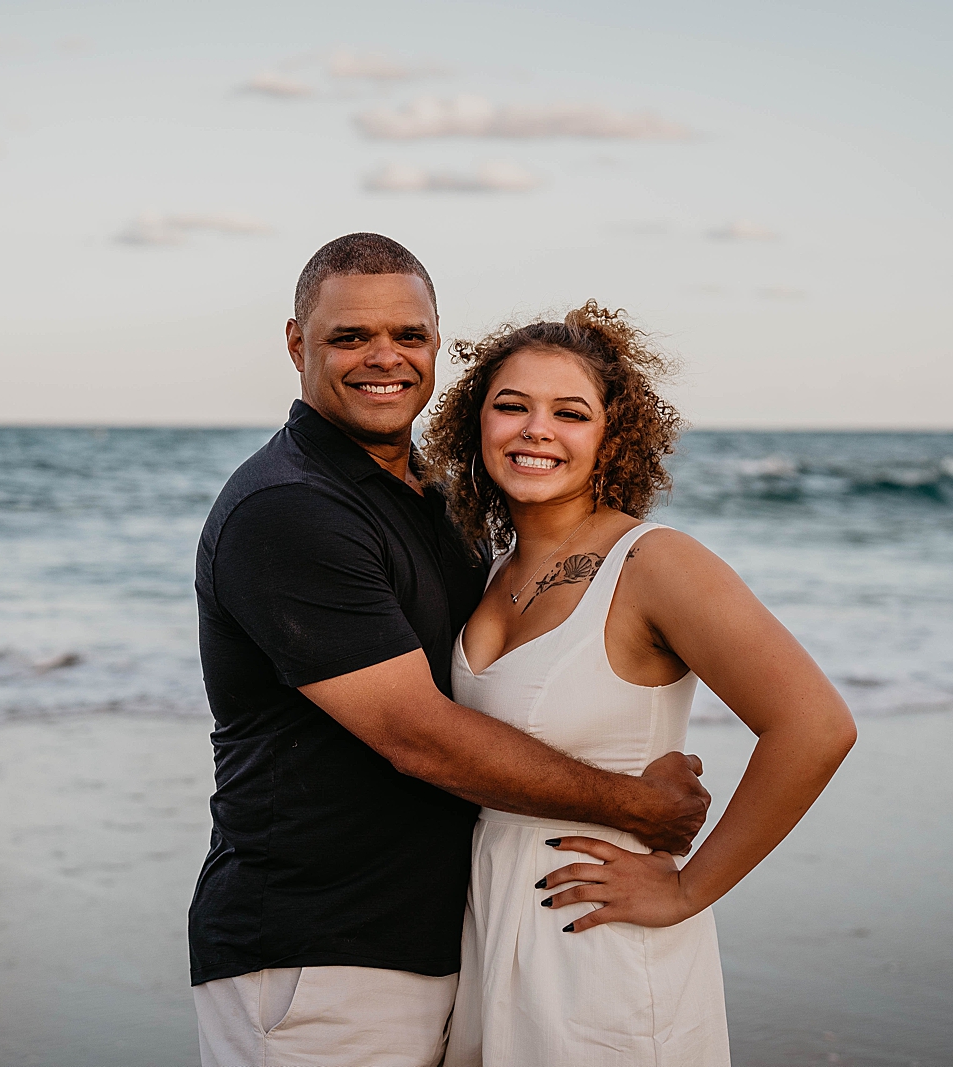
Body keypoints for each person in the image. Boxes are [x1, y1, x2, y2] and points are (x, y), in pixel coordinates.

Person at [189, 235, 712, 1067]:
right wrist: (640, 806)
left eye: (409, 334)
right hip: (318, 951)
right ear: (297, 344)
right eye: (349, 337)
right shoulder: (290, 508)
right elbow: (415, 732)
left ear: (439, 342)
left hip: (447, 940)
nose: (383, 358)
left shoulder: (430, 501)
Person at [423, 302, 858, 1066]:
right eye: (511, 405)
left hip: (604, 939)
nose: (535, 430)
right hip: (493, 930)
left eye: (570, 412)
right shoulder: (489, 571)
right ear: (475, 423)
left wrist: (688, 890)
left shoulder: (655, 562)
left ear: (611, 436)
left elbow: (816, 726)